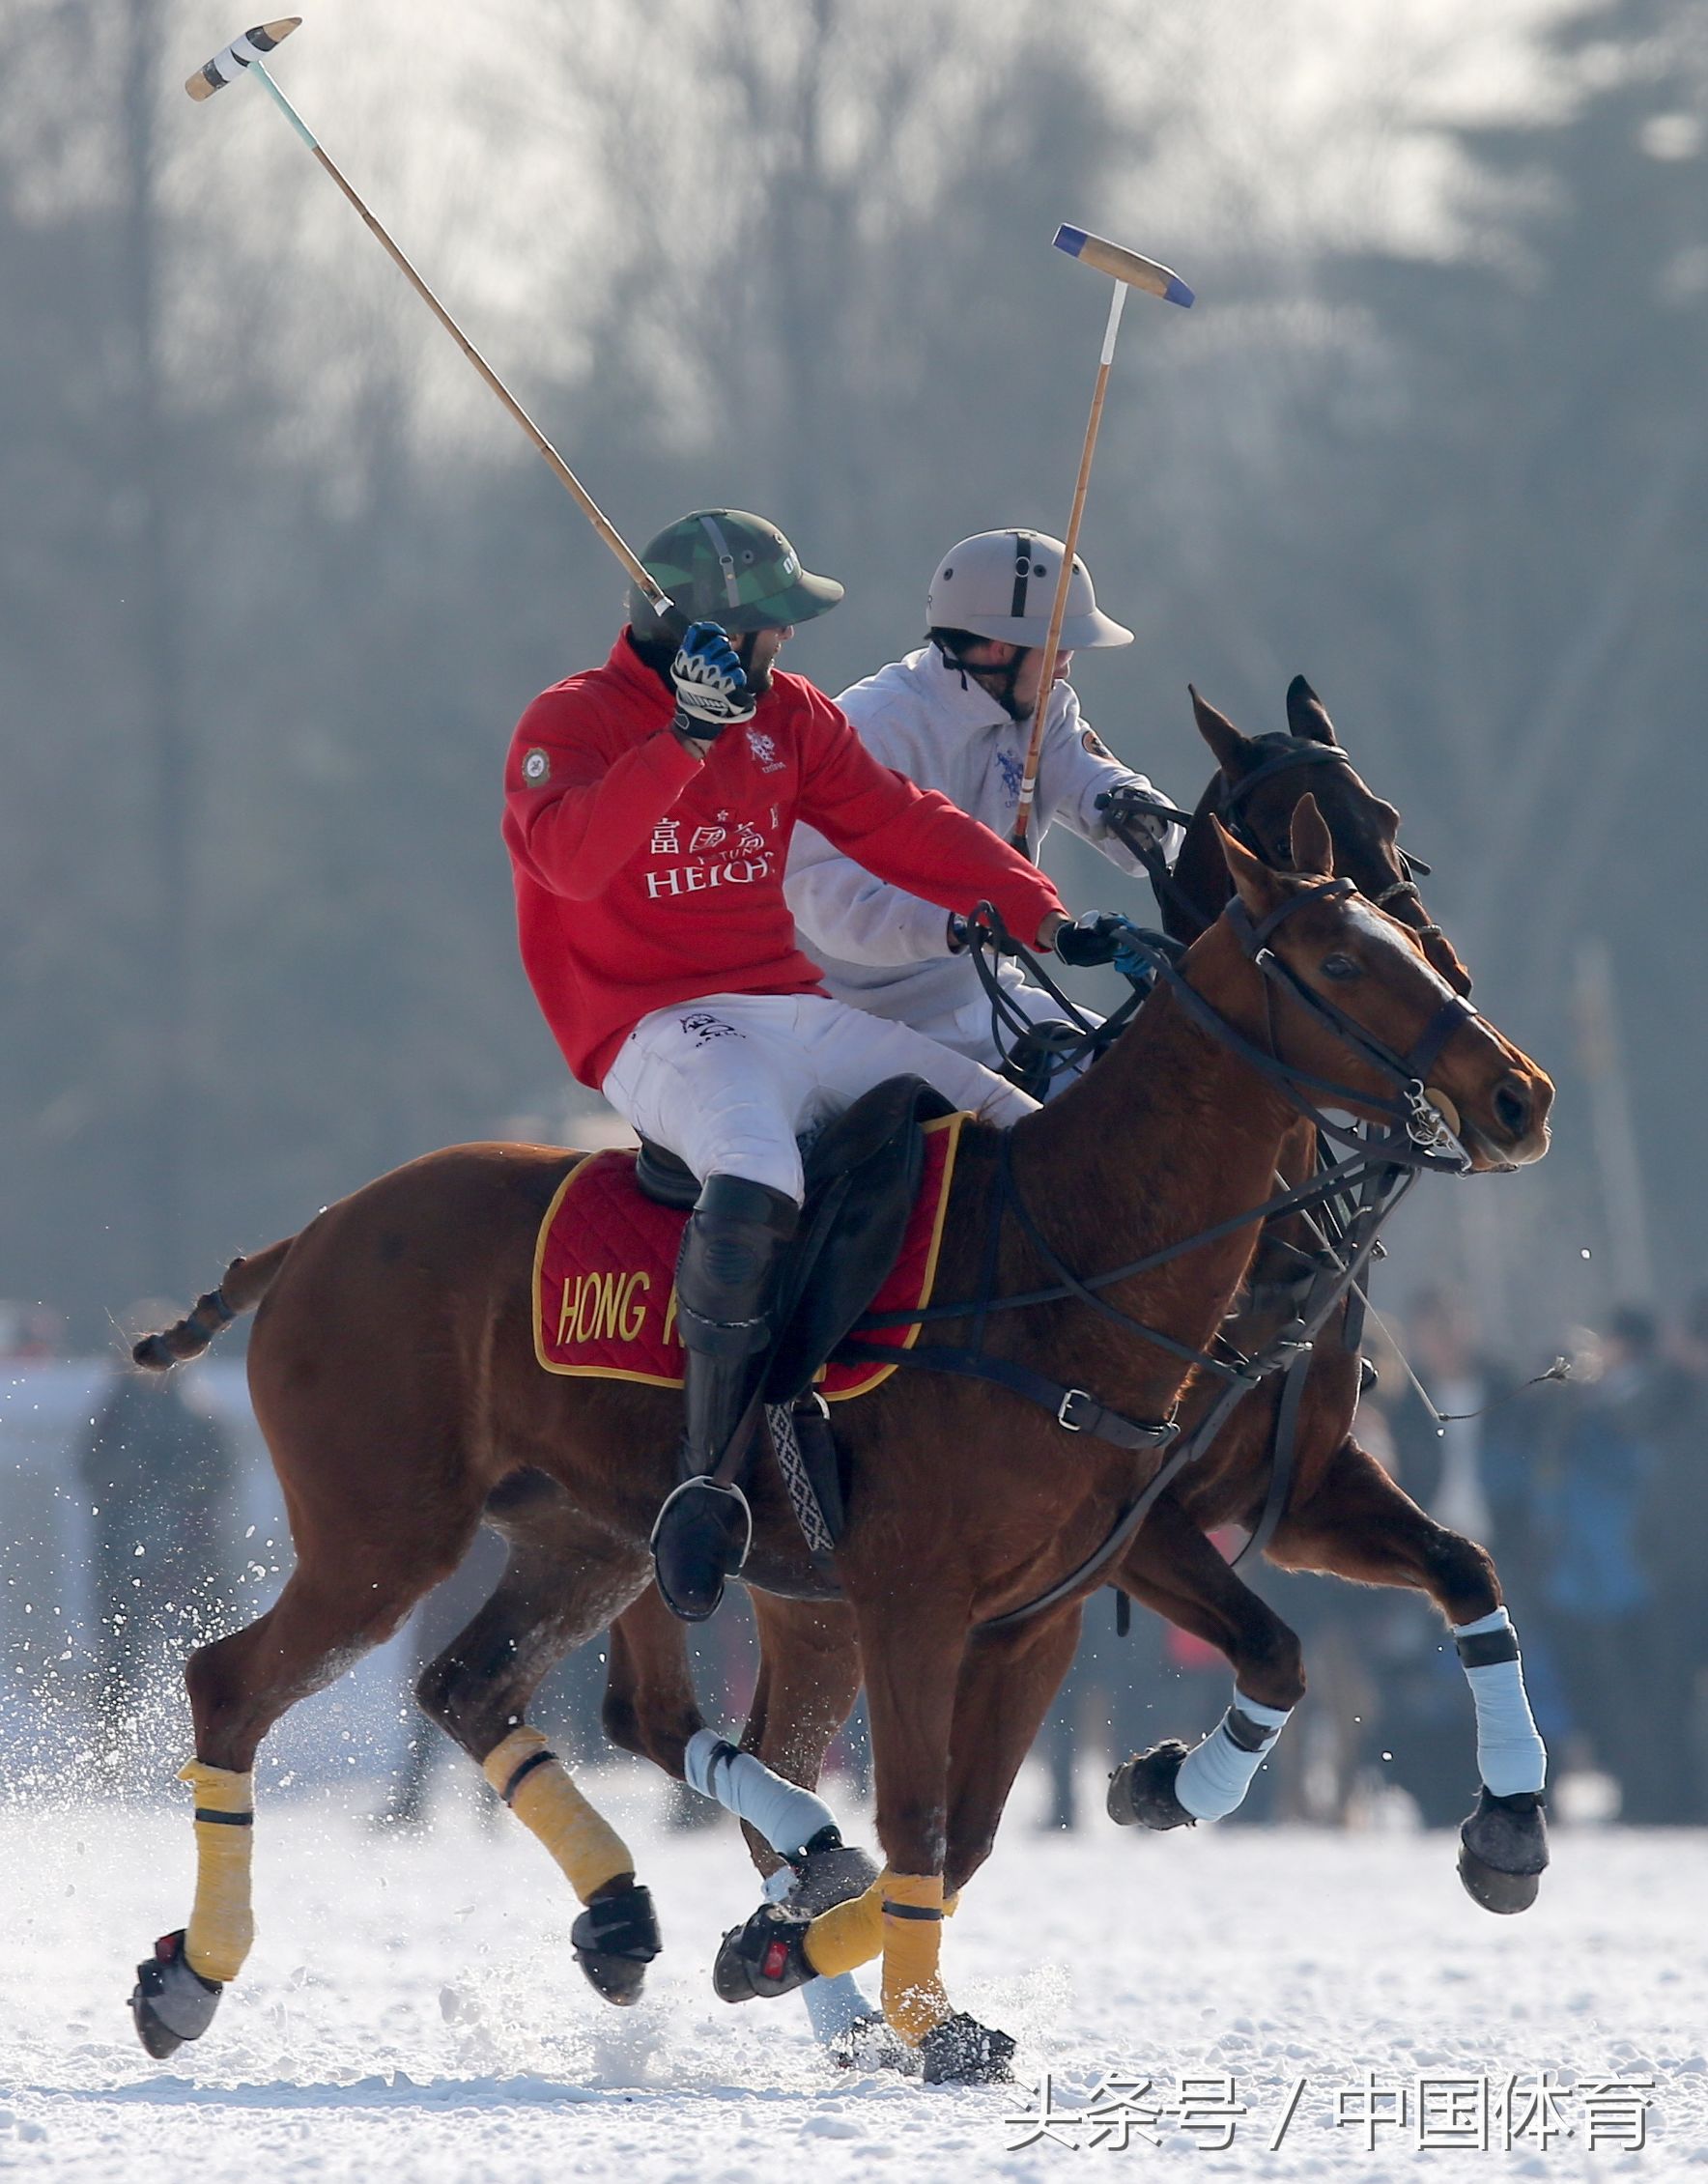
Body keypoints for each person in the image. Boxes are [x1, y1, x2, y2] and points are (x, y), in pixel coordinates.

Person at [503, 510, 1116, 1623]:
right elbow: (575, 861)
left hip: (784, 1003)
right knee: (760, 1168)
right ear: (711, 636)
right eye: (771, 625)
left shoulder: (791, 717)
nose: (787, 644)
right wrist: (680, 744)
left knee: (1011, 1116)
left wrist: (1045, 916)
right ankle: (704, 1481)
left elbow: (900, 823)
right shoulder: (572, 721)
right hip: (647, 1022)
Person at [784, 529, 1179, 1077]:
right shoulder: (869, 728)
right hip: (858, 1022)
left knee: (1148, 1092)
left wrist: (1136, 812)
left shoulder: (1044, 708)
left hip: (987, 998)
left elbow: (1096, 784)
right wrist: (961, 925)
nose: (1066, 664)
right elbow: (825, 902)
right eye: (1058, 646)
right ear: (1000, 648)